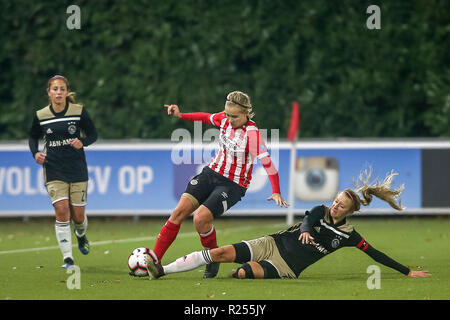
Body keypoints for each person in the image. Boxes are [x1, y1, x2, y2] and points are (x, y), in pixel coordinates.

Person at [145, 169, 431, 280]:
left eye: (341, 205)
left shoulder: (348, 236)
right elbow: (308, 219)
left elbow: (374, 253)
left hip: (287, 267)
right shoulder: (321, 210)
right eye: (335, 201)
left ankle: (238, 272)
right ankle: (162, 270)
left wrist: (407, 272)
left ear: (351, 211)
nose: (335, 205)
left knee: (242, 275)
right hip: (272, 242)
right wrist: (305, 230)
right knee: (219, 253)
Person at [149, 91, 288, 278]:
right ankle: (153, 262)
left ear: (247, 113)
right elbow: (206, 117)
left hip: (233, 185)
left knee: (200, 219)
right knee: (178, 212)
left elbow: (268, 163)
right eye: (227, 115)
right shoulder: (223, 118)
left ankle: (212, 258)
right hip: (211, 173)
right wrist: (181, 115)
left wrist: (276, 191)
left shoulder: (252, 134)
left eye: (235, 116)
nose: (229, 120)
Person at [28, 75, 98, 268]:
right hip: (54, 169)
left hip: (77, 169)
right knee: (61, 211)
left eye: (62, 89)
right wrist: (35, 153)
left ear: (67, 92)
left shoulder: (78, 112)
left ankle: (81, 235)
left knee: (78, 217)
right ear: (49, 92)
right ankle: (68, 258)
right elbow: (33, 138)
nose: (58, 92)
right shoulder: (41, 115)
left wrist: (82, 141)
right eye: (55, 89)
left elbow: (93, 134)